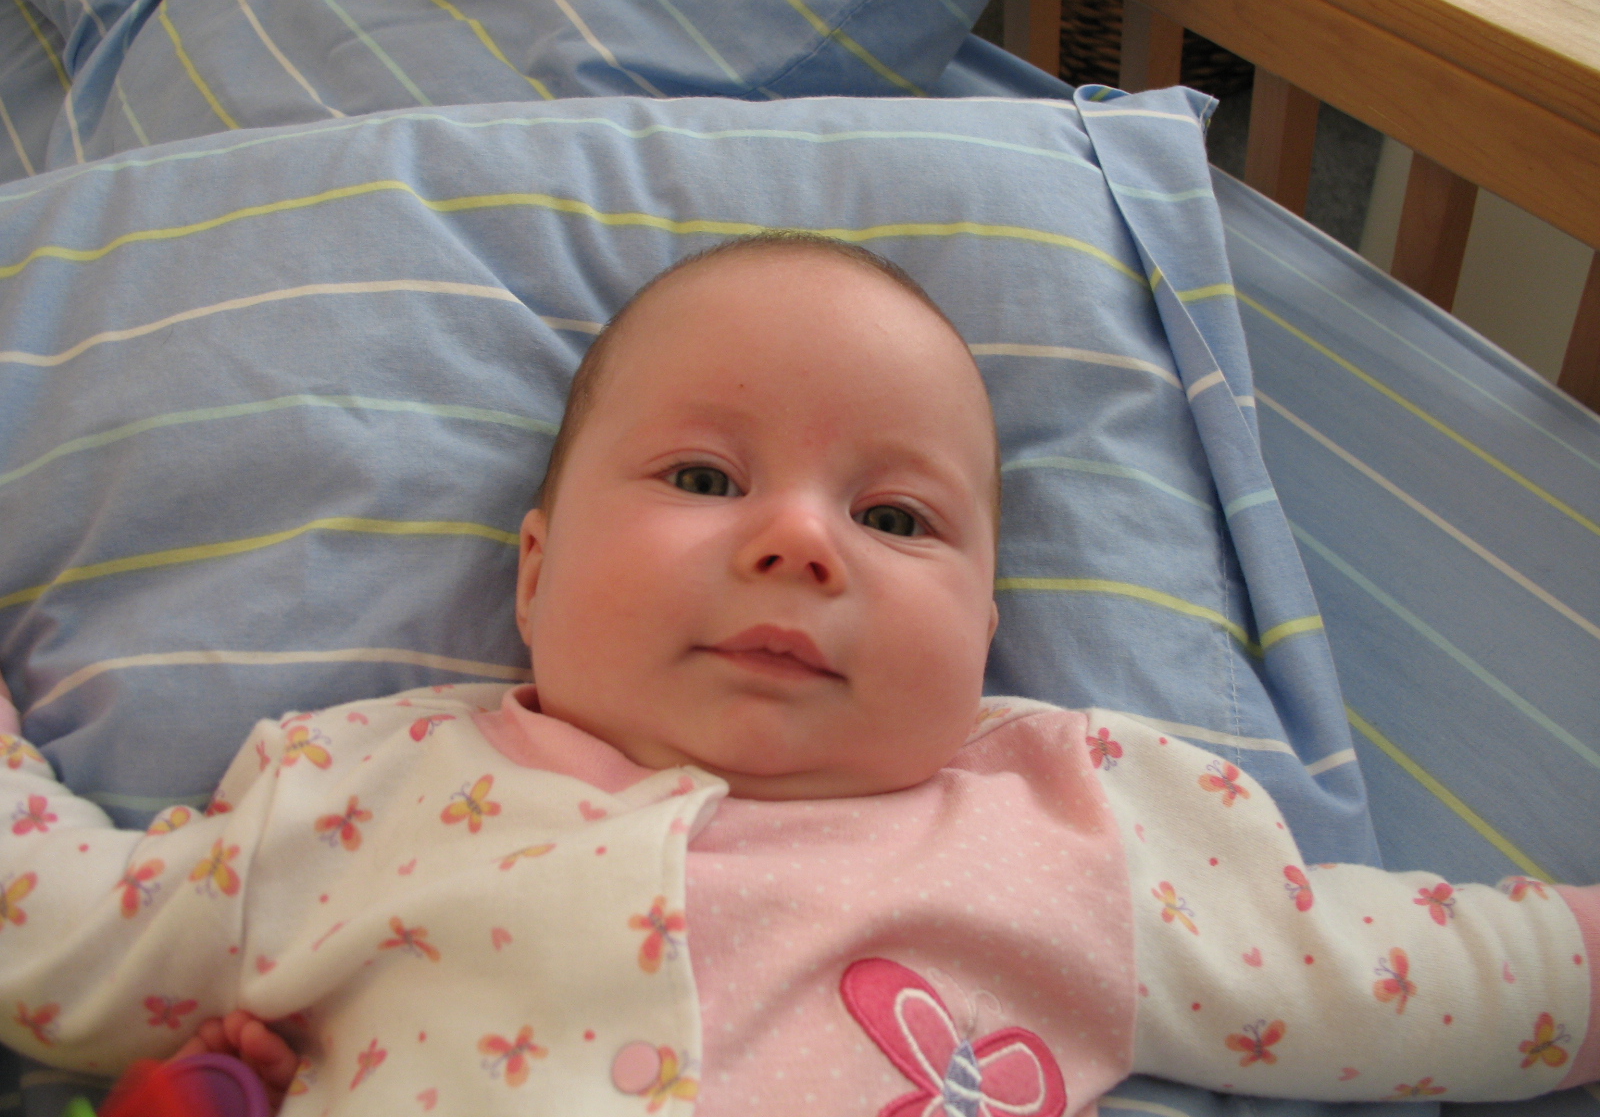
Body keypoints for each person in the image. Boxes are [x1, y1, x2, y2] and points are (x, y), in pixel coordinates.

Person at [0, 234, 1594, 1117]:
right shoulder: (357, 803)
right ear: (534, 574)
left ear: (985, 636)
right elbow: (56, 932)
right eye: (703, 478)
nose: (798, 542)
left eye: (894, 519)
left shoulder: (1066, 840)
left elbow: (1404, 979)